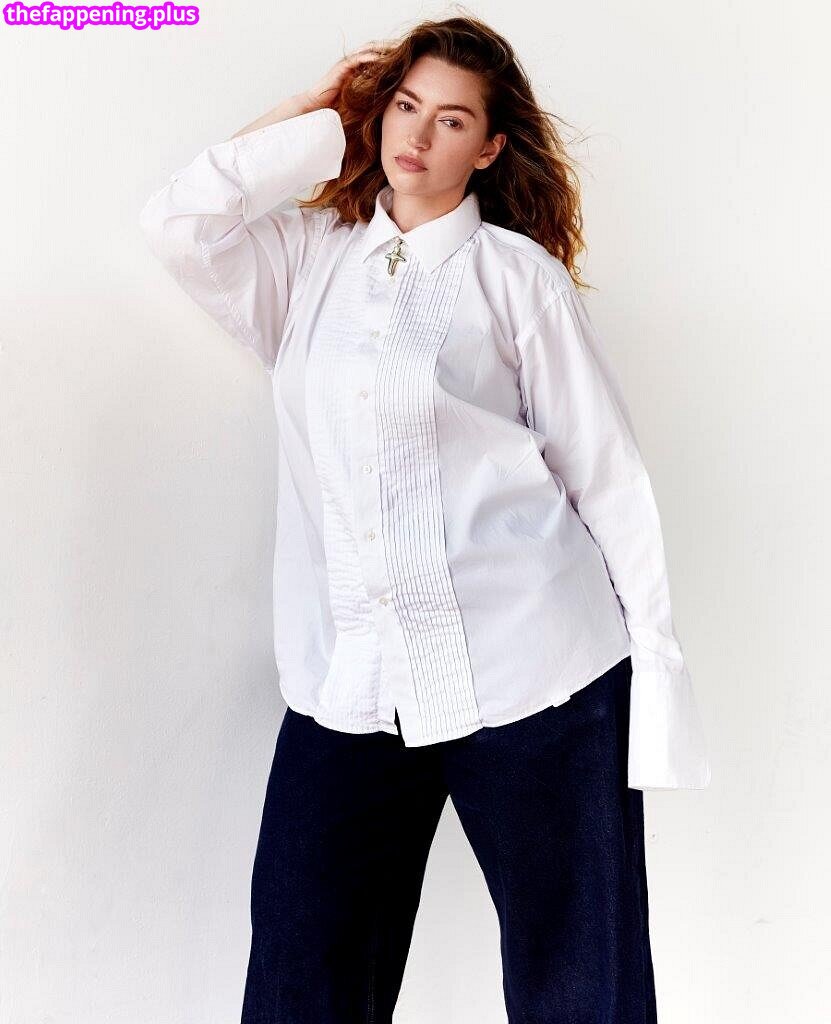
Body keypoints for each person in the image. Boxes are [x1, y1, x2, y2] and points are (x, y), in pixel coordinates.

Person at [139, 14, 711, 1023]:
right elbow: (180, 222)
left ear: (488, 148)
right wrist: (324, 117)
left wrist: (657, 679)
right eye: (405, 106)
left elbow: (607, 481)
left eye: (451, 120)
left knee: (584, 992)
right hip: (351, 682)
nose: (417, 134)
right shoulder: (306, 266)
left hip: (534, 675)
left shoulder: (518, 279)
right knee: (300, 983)